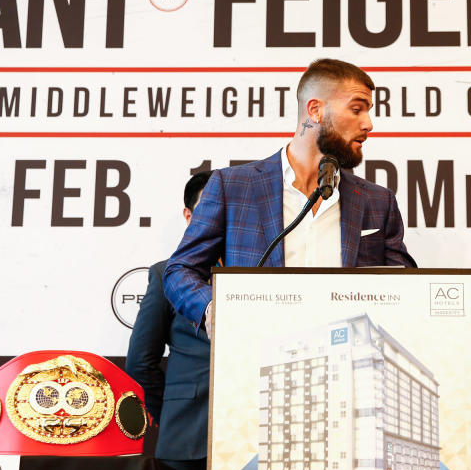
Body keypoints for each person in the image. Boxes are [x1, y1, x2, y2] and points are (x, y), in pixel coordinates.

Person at [164, 58, 417, 337]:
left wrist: (463, 307)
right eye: (357, 109)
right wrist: (212, 307)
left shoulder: (378, 201)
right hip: (256, 364)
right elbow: (180, 270)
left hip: (348, 367)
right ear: (315, 110)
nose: (369, 124)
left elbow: (406, 288)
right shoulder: (232, 186)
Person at [125, 171, 213, 470]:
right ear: (188, 216)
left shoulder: (257, 274)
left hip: (250, 441)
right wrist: (172, 411)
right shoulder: (166, 274)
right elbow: (140, 363)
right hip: (185, 438)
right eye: (209, 208)